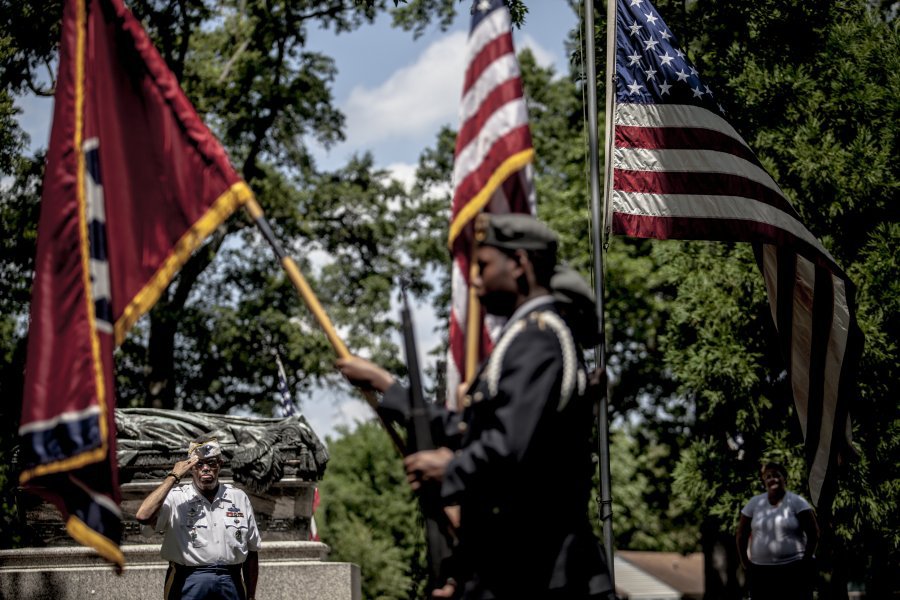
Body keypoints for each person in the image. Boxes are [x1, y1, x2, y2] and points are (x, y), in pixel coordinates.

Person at [337, 213, 615, 599]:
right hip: (516, 566)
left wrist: (451, 468)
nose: (475, 278)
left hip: (542, 569)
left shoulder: (537, 338)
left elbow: (510, 448)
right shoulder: (528, 336)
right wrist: (389, 389)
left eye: (484, 265)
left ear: (518, 263)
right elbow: (471, 429)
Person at [136, 437, 261, 600]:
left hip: (231, 580)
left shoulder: (238, 497)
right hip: (188, 580)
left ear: (220, 464)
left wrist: (250, 596)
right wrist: (173, 476)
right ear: (190, 468)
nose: (206, 468)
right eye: (199, 464)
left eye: (212, 463)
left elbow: (252, 551)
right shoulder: (176, 498)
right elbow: (143, 515)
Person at [735, 461, 819, 600]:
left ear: (784, 478)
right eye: (767, 477)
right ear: (764, 482)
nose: (772, 479)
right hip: (761, 573)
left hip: (794, 570)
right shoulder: (755, 503)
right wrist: (745, 562)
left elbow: (814, 533)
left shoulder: (797, 501)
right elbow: (741, 534)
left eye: (776, 475)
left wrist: (805, 561)